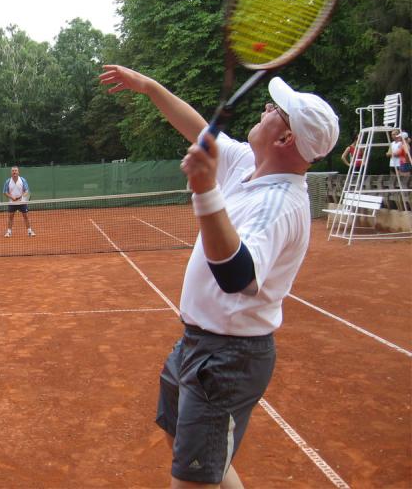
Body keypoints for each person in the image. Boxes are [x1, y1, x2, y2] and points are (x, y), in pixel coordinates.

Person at [99, 65, 339, 489]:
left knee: (193, 479)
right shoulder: (249, 163)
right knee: (183, 444)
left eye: (275, 110)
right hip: (197, 341)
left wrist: (205, 190)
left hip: (228, 357)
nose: (266, 109)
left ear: (285, 138)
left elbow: (237, 275)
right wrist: (149, 87)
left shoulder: (278, 205)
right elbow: (198, 129)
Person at [2, 166, 35, 237]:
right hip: (12, 203)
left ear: (18, 172)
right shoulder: (8, 181)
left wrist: (21, 197)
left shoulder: (22, 180)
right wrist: (12, 197)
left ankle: (29, 231)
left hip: (22, 202)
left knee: (26, 216)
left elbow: (26, 191)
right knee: (10, 217)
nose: (14, 172)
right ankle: (9, 232)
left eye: (15, 170)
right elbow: (5, 192)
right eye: (13, 171)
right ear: (11, 172)